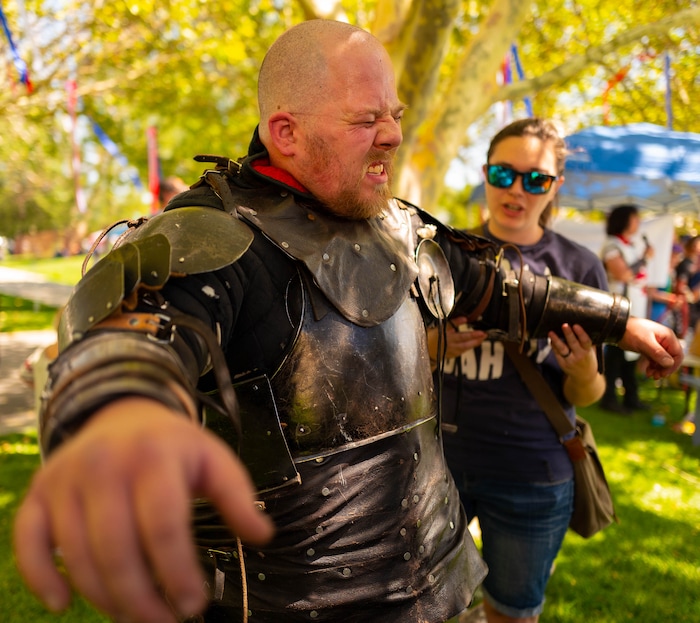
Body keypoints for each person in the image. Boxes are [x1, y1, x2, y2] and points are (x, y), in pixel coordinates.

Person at [13, 20, 682, 623]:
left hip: (444, 588)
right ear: (287, 132)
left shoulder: (401, 230)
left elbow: (504, 288)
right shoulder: (209, 239)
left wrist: (621, 321)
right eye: (366, 118)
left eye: (392, 113)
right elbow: (130, 341)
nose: (391, 132)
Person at [426, 117, 608, 623]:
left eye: (537, 179)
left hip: (534, 476)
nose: (517, 191)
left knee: (511, 610)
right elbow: (398, 360)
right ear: (485, 173)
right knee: (426, 606)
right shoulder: (444, 253)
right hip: (436, 467)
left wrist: (584, 369)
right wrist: (434, 346)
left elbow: (589, 393)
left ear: (555, 187)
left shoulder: (581, 269)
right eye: (504, 174)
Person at [599, 204, 655, 413]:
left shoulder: (630, 245)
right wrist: (645, 259)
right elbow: (623, 274)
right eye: (635, 218)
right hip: (619, 309)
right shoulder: (612, 245)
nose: (638, 222)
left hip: (634, 309)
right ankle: (609, 398)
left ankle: (631, 397)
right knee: (615, 354)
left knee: (632, 353)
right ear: (624, 220)